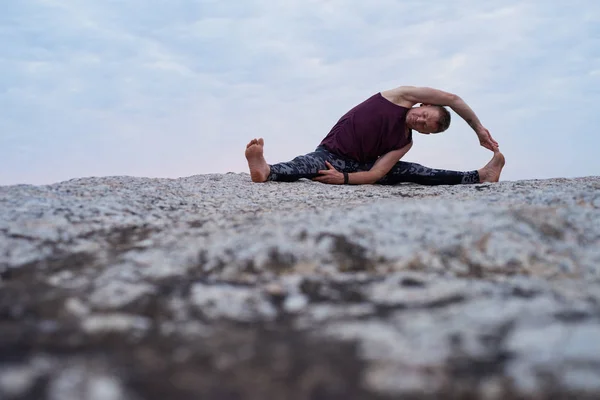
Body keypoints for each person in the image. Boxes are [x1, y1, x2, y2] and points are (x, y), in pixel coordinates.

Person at [245, 86, 505, 186]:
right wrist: (479, 129)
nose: (421, 121)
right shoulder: (399, 97)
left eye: (427, 126)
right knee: (306, 164)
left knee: (415, 171)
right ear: (422, 105)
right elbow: (453, 98)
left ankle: (481, 176)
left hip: (357, 167)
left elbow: (376, 174)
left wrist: (344, 179)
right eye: (425, 115)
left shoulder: (404, 142)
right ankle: (266, 170)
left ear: (426, 133)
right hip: (330, 154)